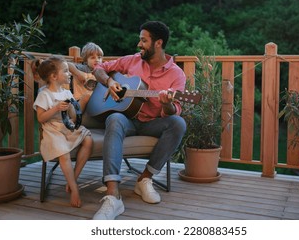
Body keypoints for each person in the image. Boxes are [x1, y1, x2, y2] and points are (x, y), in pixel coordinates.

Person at [92, 21, 187, 220]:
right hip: (128, 120)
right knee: (115, 117)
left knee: (178, 123)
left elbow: (174, 111)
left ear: (158, 43)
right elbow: (99, 68)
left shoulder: (176, 75)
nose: (139, 44)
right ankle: (112, 196)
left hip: (152, 124)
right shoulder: (132, 61)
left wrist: (166, 103)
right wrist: (110, 81)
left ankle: (144, 179)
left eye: (143, 40)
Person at [33, 55, 93, 208]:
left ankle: (73, 178)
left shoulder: (67, 93)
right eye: (66, 71)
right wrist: (55, 108)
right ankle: (74, 189)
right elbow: (40, 118)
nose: (69, 74)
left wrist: (76, 106)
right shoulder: (44, 94)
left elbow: (73, 116)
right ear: (54, 76)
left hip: (66, 127)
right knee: (63, 153)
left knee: (88, 140)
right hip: (53, 129)